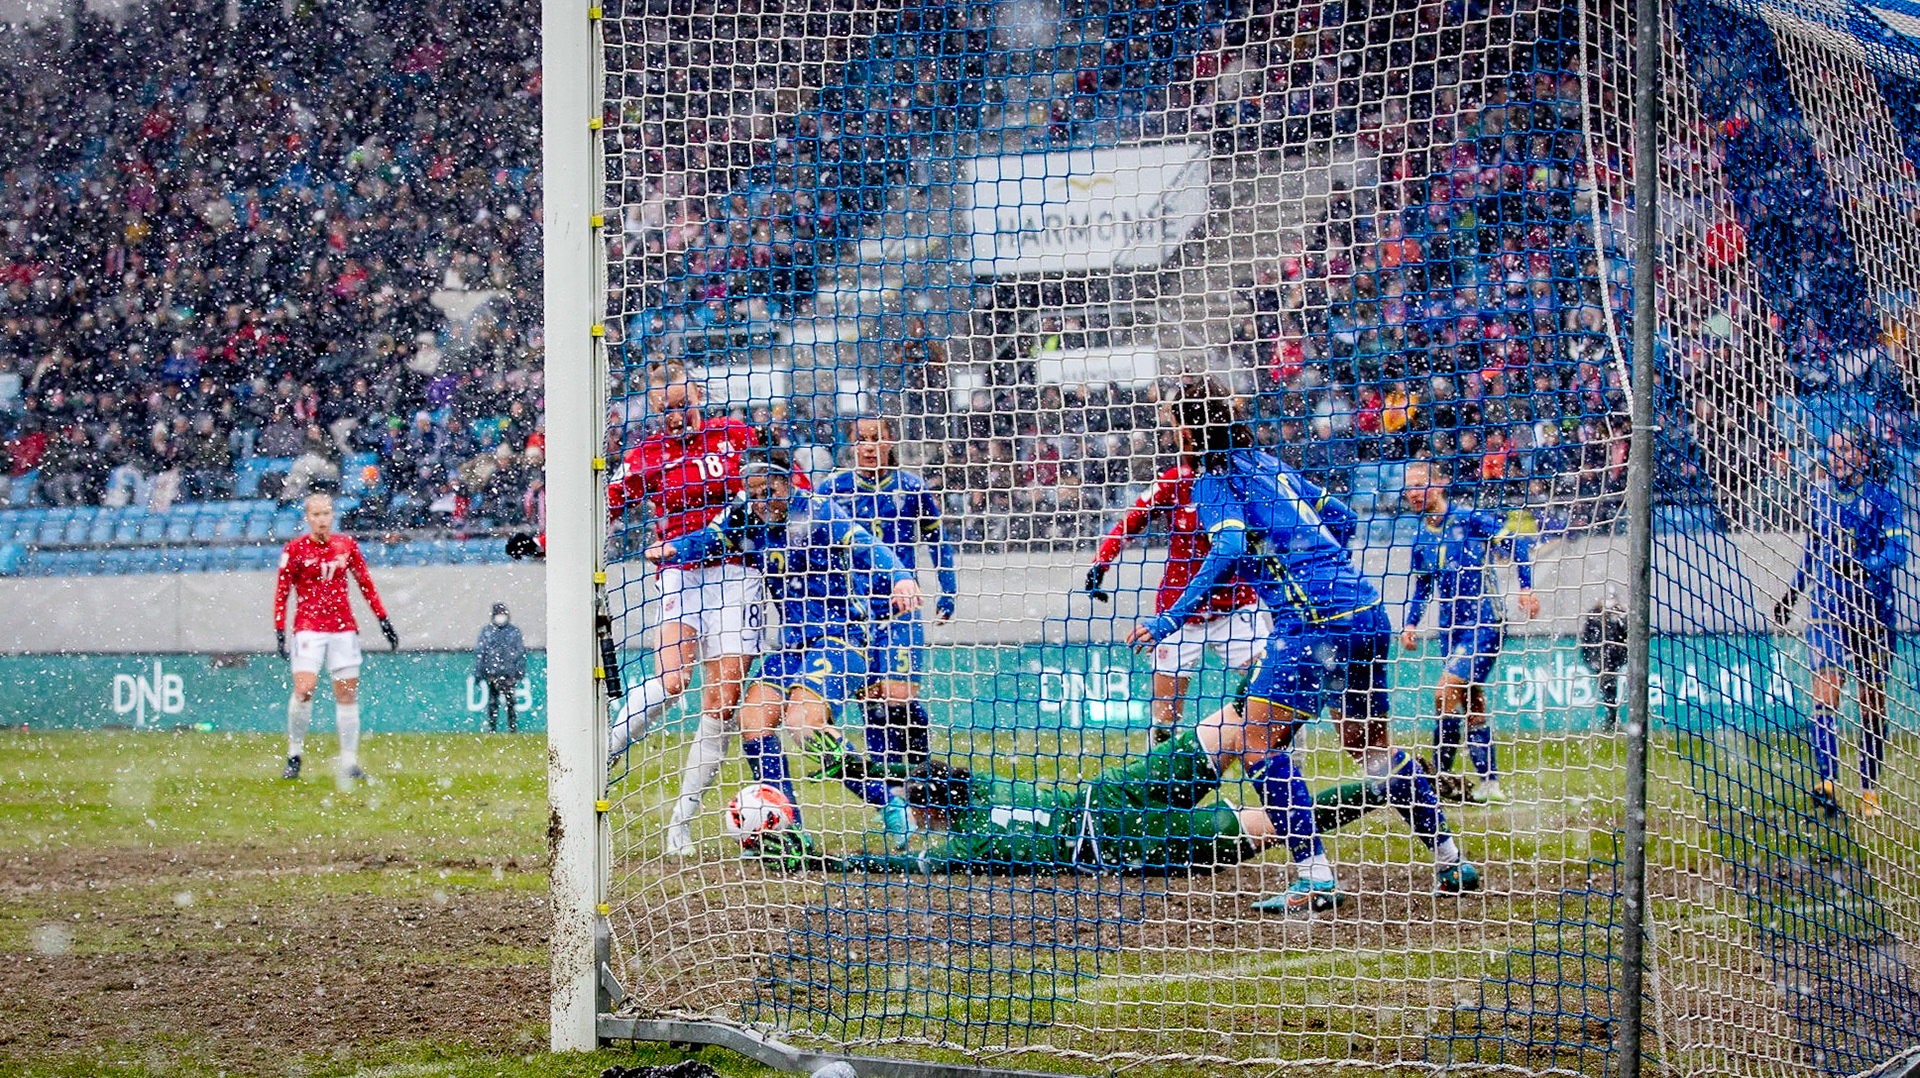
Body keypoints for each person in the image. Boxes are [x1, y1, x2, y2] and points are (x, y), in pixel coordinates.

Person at [1127, 384, 1473, 913]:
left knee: (1253, 741)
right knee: (1372, 750)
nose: (1168, 431)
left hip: (1312, 626)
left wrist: (1171, 617)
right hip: (1364, 610)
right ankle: (1452, 860)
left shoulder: (1213, 481)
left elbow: (1230, 545)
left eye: (1171, 420)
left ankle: (1315, 876)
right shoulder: (1269, 463)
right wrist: (1311, 563)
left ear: (1189, 429)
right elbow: (1341, 518)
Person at [608, 361, 765, 856]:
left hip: (739, 574)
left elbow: (782, 483)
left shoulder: (736, 436)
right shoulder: (646, 456)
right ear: (654, 408)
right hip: (679, 572)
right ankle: (604, 754)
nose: (676, 416)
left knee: (720, 705)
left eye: (683, 404)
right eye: (666, 408)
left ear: (700, 396)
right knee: (673, 681)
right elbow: (603, 504)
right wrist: (549, 539)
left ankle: (682, 821)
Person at [822, 719, 1282, 876]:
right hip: (1108, 792)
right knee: (1237, 723)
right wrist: (861, 765)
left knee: (1282, 820)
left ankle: (1359, 796)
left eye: (914, 807)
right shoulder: (978, 783)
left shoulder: (969, 845)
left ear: (931, 809)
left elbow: (900, 865)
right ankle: (1282, 653)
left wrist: (828, 862)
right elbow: (927, 773)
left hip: (1120, 842)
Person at [1773, 430, 1908, 818]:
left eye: (1846, 450)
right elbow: (1813, 549)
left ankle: (1869, 790)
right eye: (1831, 451)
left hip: (1873, 612)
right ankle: (1827, 783)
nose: (1837, 458)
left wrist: (1863, 567)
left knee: (1871, 703)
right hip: (1829, 609)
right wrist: (1793, 593)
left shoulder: (1883, 499)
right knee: (1826, 691)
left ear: (1864, 456)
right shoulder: (1820, 495)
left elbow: (1897, 550)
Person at [1086, 460, 1270, 743]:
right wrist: (1102, 561)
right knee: (1164, 721)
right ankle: (1161, 780)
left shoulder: (1242, 478)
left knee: (1274, 696)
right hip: (1178, 615)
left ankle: (1289, 771)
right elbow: (1132, 520)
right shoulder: (1174, 481)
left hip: (1237, 607)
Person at [819, 416, 957, 777]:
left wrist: (948, 589)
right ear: (851, 445)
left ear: (890, 442)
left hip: (901, 606)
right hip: (857, 610)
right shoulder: (833, 490)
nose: (868, 446)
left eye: (875, 438)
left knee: (898, 696)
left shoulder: (911, 488)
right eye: (861, 439)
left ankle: (923, 764)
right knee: (871, 701)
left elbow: (937, 541)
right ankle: (890, 783)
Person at [1399, 459, 1541, 804]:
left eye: (1420, 485)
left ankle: (1437, 778)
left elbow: (1517, 544)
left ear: (1440, 484)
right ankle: (1489, 782)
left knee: (1444, 693)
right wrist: (1411, 623)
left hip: (1484, 623)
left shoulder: (1468, 519)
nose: (1413, 493)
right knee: (1471, 702)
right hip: (1450, 629)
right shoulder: (1421, 538)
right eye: (1409, 488)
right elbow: (1423, 587)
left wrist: (1526, 587)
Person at [272, 493, 399, 781]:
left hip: (342, 628)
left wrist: (383, 619)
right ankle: (294, 754)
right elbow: (282, 593)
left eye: (326, 514)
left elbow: (365, 582)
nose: (321, 520)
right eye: (315, 515)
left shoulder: (346, 545)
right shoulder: (295, 549)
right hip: (308, 627)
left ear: (332, 516)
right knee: (305, 689)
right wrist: (279, 629)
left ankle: (349, 762)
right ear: (307, 518)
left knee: (346, 694)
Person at [474, 601, 528, 733]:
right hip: (493, 673)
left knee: (510, 702)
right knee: (493, 702)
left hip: (509, 674)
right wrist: (480, 673)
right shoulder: (487, 632)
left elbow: (520, 653)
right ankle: (493, 728)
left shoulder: (513, 632)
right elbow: (481, 653)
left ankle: (512, 727)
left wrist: (518, 671)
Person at [1579, 590, 1629, 730]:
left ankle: (1611, 719)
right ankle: (1611, 719)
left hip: (1611, 659)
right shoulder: (1594, 616)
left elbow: (1624, 637)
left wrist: (1621, 656)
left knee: (1609, 686)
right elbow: (1587, 638)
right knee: (1607, 687)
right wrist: (1589, 656)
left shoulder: (1619, 616)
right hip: (1601, 658)